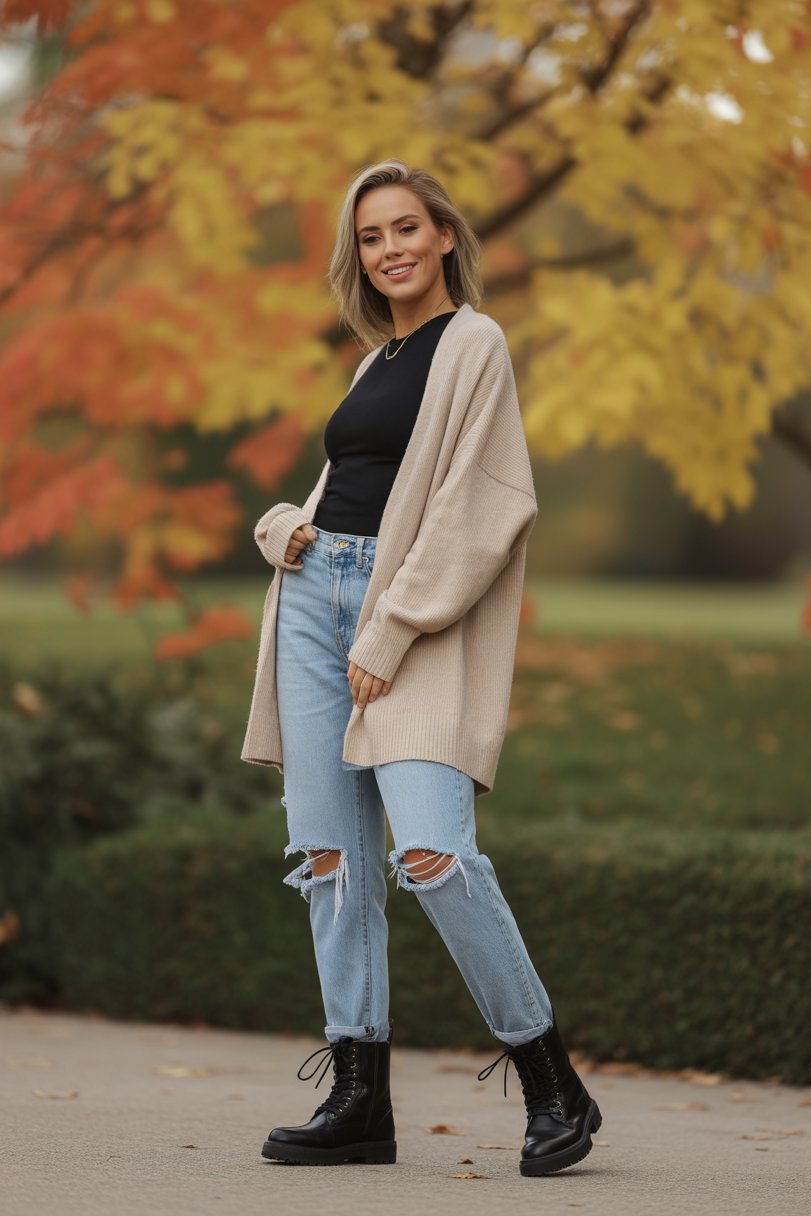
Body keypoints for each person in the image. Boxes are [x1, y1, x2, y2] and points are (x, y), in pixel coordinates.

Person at [241, 159, 602, 1177]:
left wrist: (389, 629)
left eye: (407, 227)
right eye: (370, 236)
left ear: (445, 235)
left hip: (410, 622)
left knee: (434, 855)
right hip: (316, 606)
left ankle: (552, 1083)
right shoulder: (376, 360)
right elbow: (349, 489)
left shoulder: (473, 342)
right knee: (330, 862)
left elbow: (484, 509)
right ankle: (359, 1101)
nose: (389, 248)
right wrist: (285, 528)